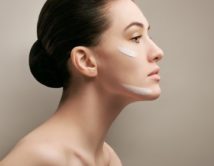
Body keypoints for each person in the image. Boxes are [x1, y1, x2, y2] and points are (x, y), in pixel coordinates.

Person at [0, 0, 163, 165]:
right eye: (135, 37)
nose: (158, 52)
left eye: (147, 36)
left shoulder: (109, 159)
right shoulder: (41, 158)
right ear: (85, 61)